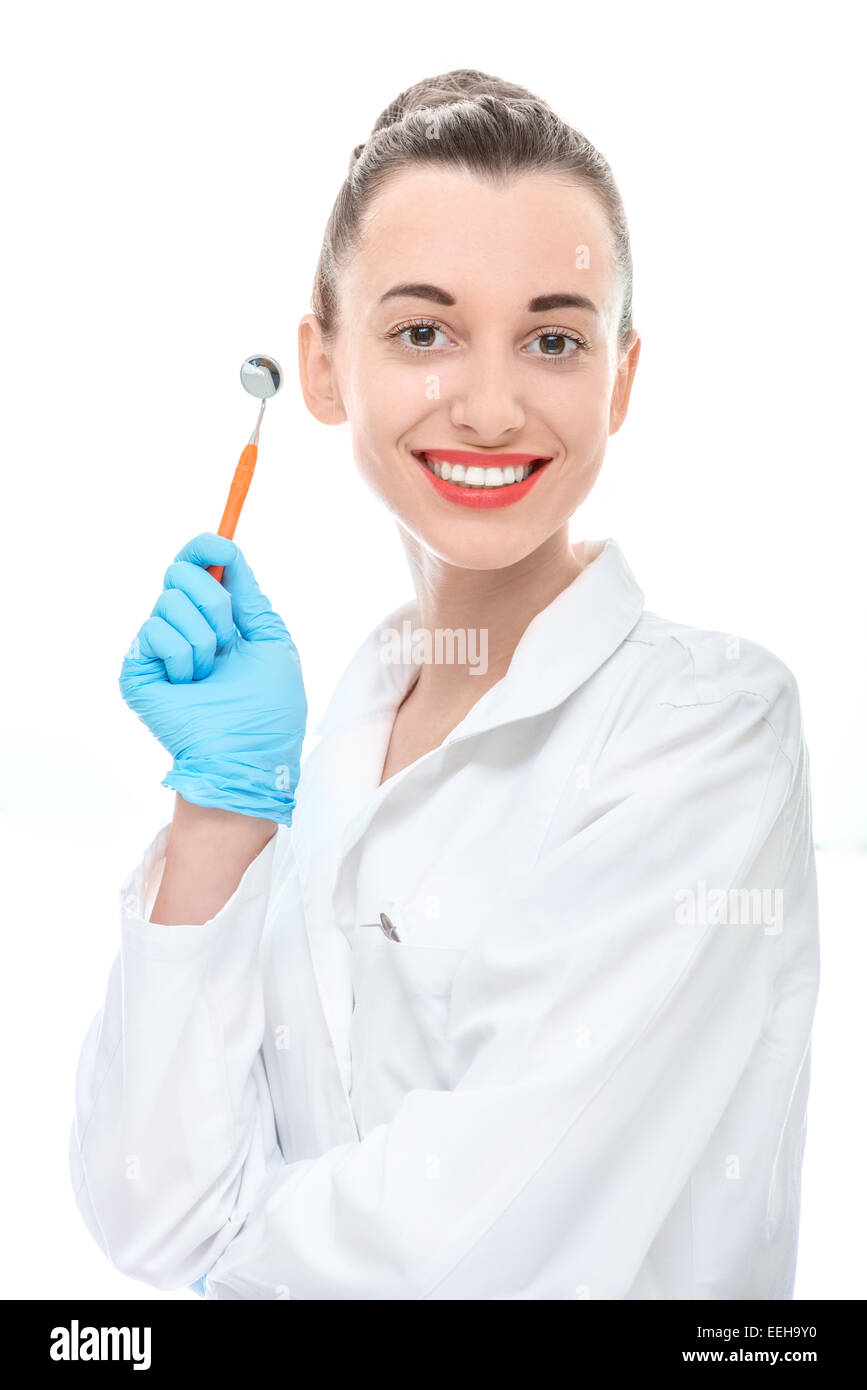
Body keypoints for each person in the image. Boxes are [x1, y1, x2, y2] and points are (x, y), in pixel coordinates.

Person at [69, 69, 820, 1300]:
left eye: (554, 338)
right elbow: (145, 1205)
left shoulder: (709, 730)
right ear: (322, 368)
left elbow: (465, 1256)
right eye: (423, 331)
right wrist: (222, 809)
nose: (489, 405)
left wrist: (223, 1250)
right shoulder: (333, 738)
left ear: (620, 379)